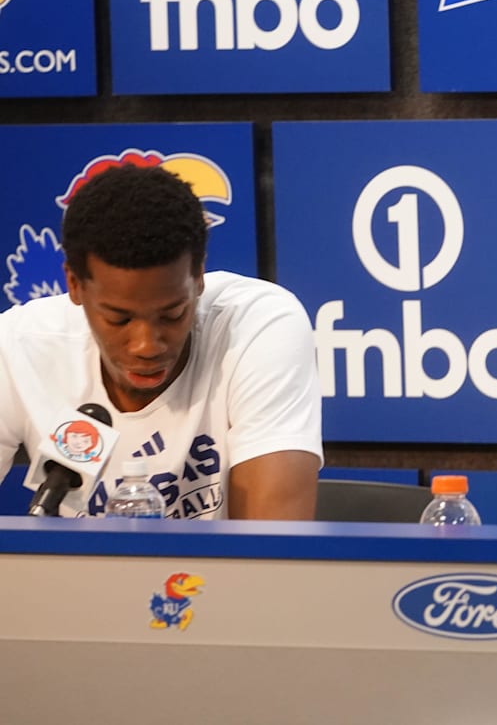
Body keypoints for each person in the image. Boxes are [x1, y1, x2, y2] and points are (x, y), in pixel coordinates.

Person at [0, 162, 323, 519]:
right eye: (119, 319)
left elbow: (272, 543)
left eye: (173, 314)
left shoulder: (258, 326)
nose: (147, 346)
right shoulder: (19, 344)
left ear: (198, 277)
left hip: (224, 562)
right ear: (74, 285)